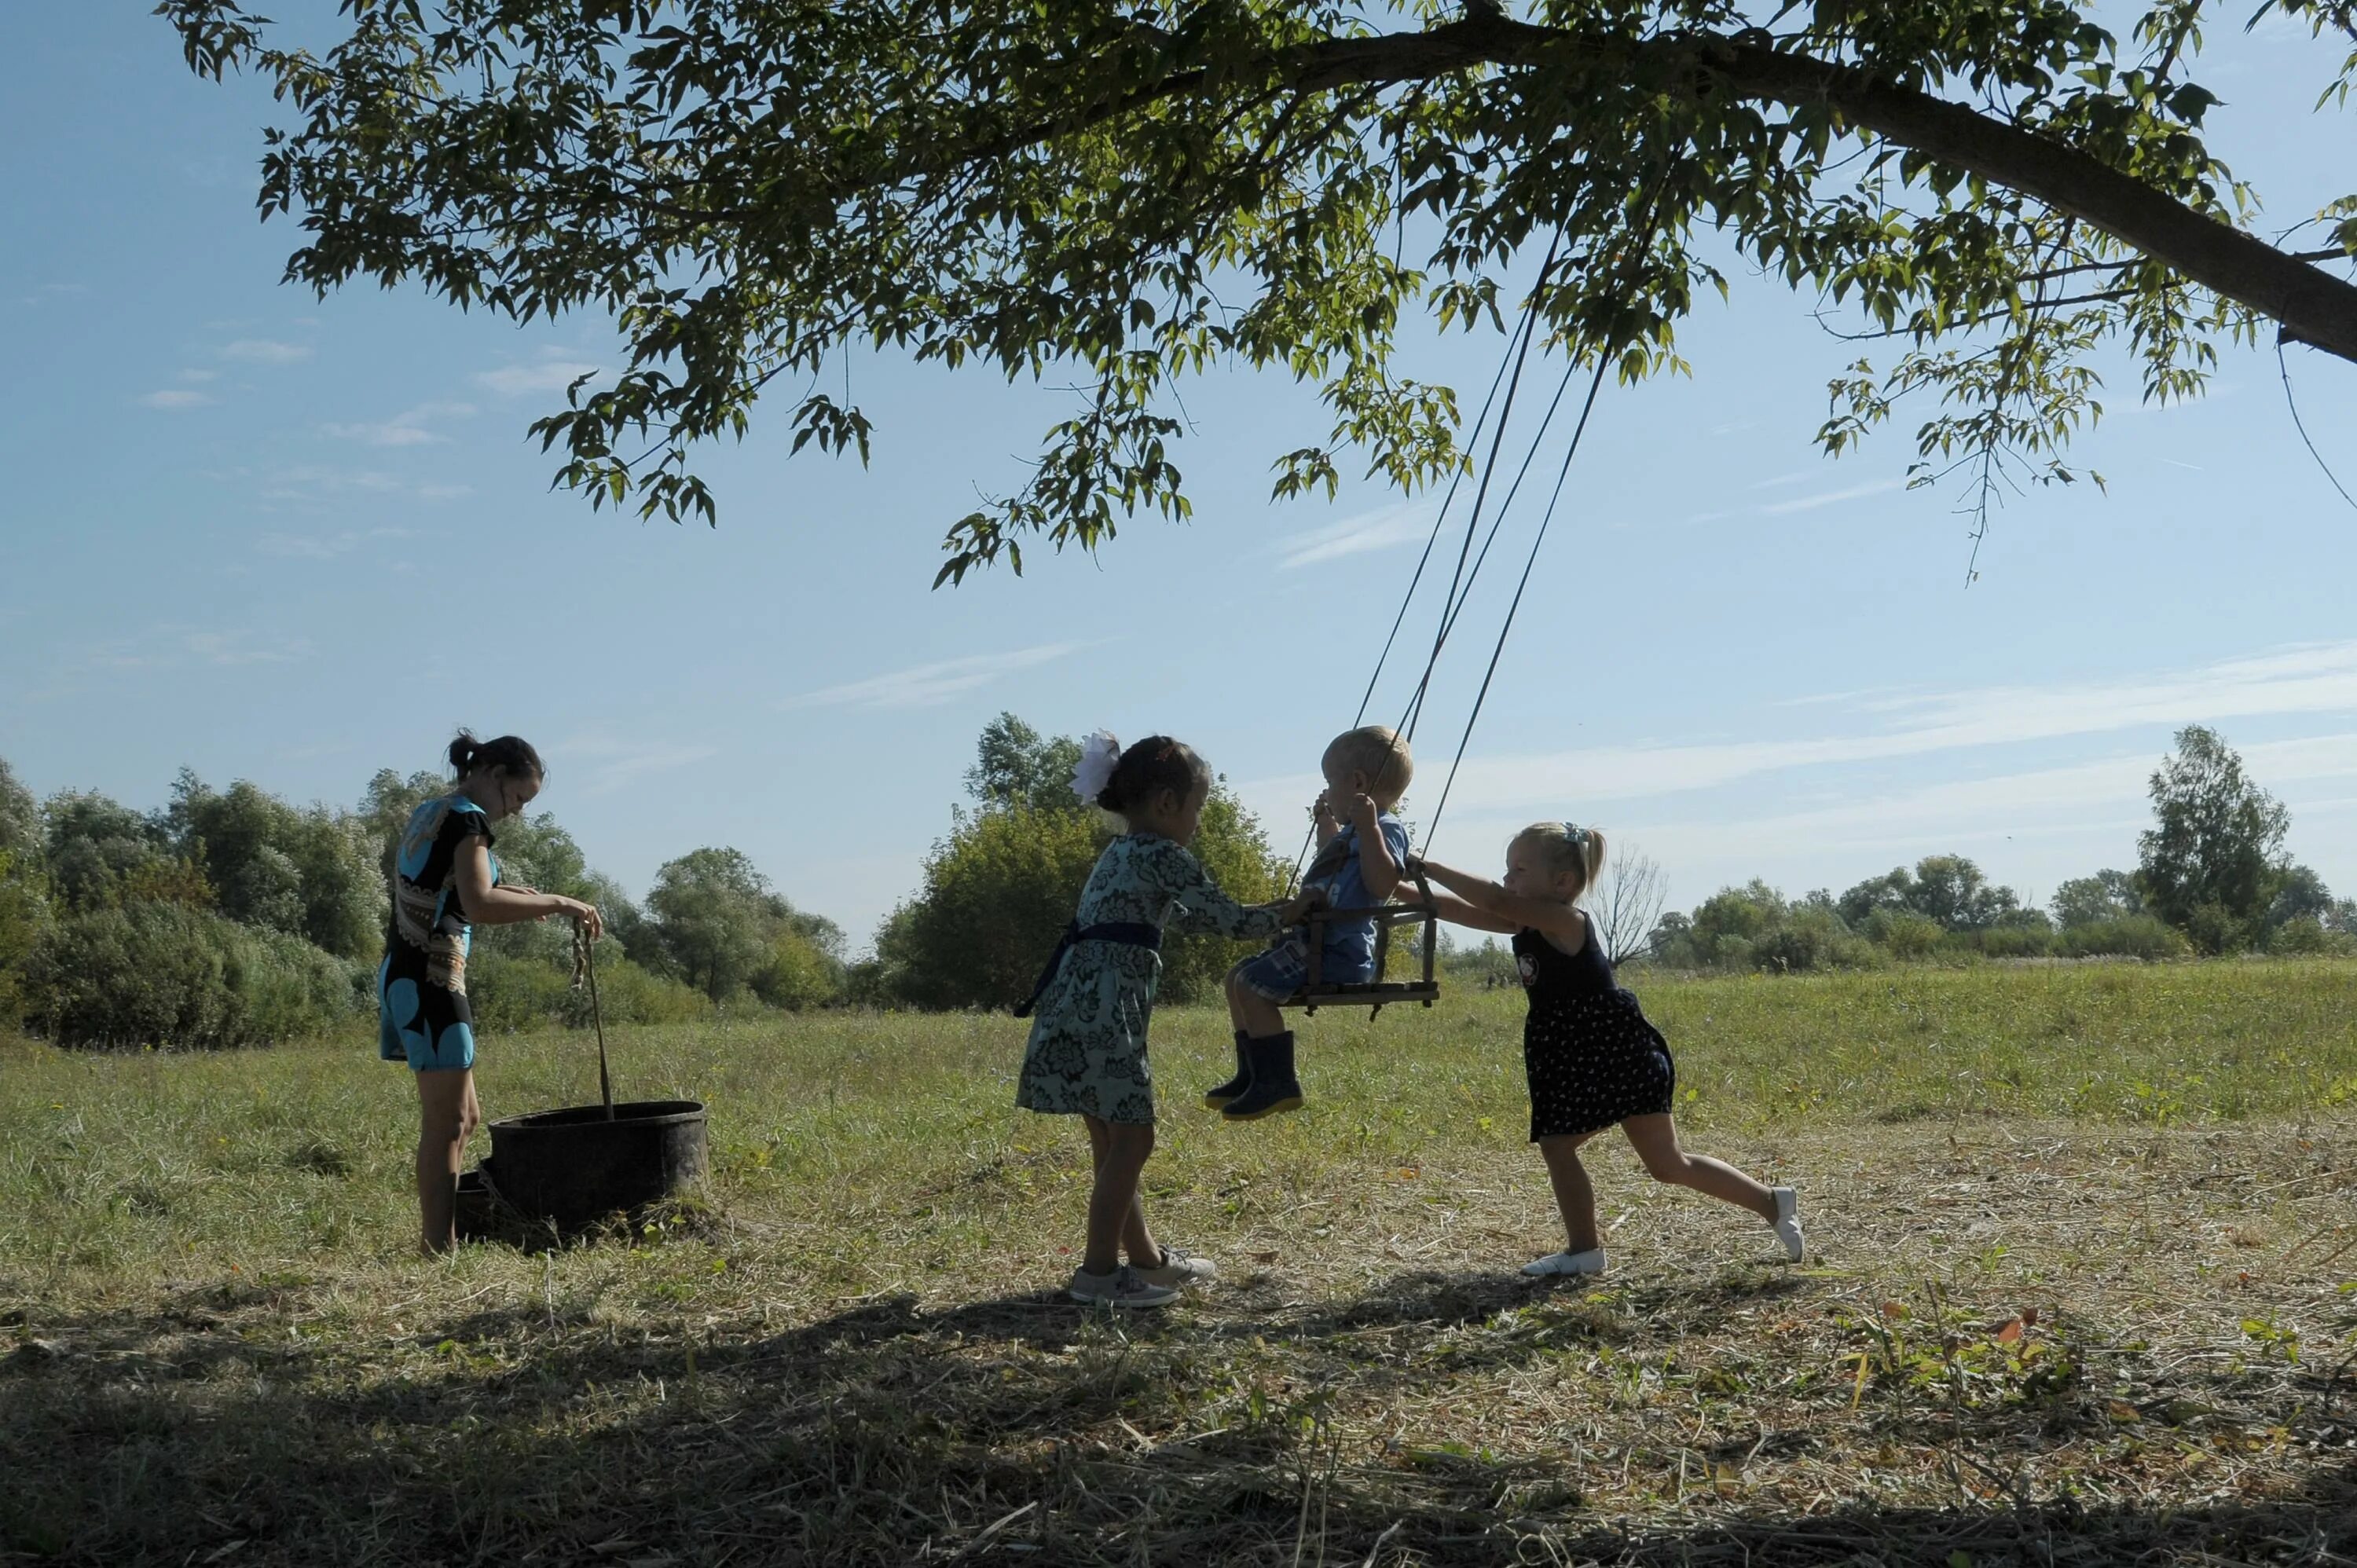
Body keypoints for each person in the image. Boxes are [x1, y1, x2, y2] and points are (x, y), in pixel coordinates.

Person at [1411, 822, 1805, 1277]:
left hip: (1616, 1051)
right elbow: (1442, 907)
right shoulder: (1522, 922)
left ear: (1562, 883)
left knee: (1665, 1163)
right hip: (1571, 1053)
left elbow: (1496, 901)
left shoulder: (1566, 920)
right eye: (1507, 869)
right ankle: (1588, 1251)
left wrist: (1430, 865)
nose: (1507, 879)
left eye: (1519, 869)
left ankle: (1768, 1203)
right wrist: (1395, 883)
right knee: (1565, 1147)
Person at [1015, 732, 1321, 1308]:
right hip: (1107, 1015)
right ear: (1165, 803)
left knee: (1113, 1145)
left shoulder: (1124, 853)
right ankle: (1099, 1277)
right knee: (1134, 1140)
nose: (1199, 822)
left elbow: (1200, 915)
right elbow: (1229, 922)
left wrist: (1273, 912)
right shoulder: (1163, 853)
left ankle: (1148, 1262)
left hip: (1075, 1006)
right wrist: (1293, 913)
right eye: (1199, 807)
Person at [379, 731, 601, 1255]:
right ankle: (438, 1250)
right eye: (518, 799)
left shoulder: (434, 811)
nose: (517, 812)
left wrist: (525, 896)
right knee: (448, 1122)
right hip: (431, 981)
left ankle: (445, 1239)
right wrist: (560, 902)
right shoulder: (468, 819)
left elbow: (451, 889)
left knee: (465, 1117)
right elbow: (478, 904)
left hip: (409, 975)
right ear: (495, 775)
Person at [1210, 725, 1412, 1120]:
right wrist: (1326, 825)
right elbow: (1330, 863)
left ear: (1356, 783)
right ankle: (1252, 1073)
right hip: (1314, 944)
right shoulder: (1353, 831)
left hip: (1340, 950)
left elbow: (1383, 883)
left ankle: (1278, 1083)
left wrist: (1369, 828)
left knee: (1253, 986)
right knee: (1237, 977)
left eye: (1329, 782)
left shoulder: (1385, 829)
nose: (1325, 790)